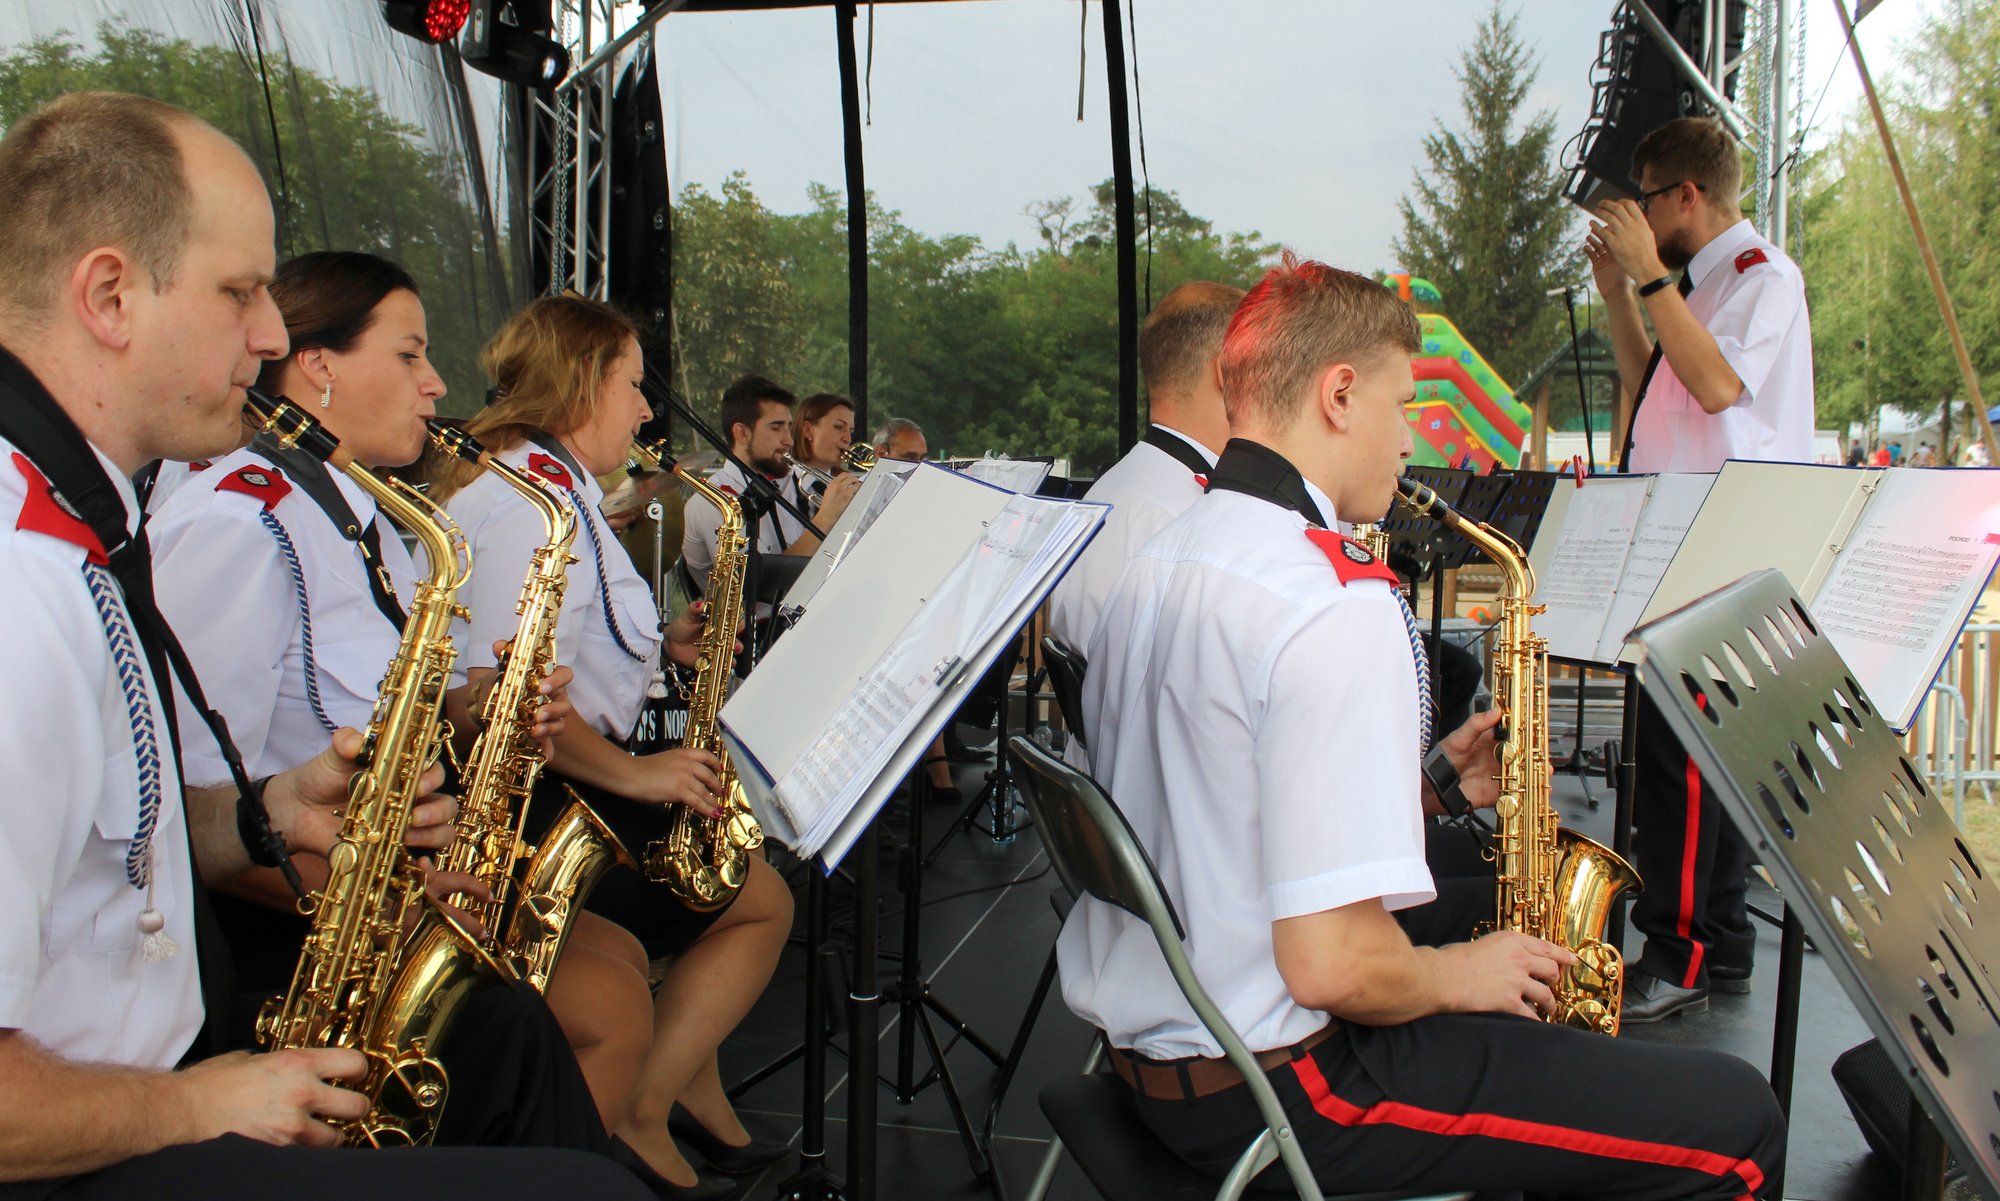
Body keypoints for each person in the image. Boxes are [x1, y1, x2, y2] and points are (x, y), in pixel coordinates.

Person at [0, 91, 648, 1201]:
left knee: (506, 1046)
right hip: (97, 1141)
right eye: (239, 291)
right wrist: (199, 1103)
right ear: (108, 296)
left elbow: (109, 836)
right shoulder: (23, 587)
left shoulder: (80, 523)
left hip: (151, 1064)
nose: (269, 338)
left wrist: (264, 811)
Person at [1060, 252, 1784, 1199]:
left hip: (1165, 1055)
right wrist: (1462, 973)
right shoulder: (1328, 599)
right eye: (1404, 406)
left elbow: (1216, 801)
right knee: (1739, 1118)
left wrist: (1430, 783)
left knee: (1511, 952)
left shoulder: (1161, 556)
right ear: (1339, 395)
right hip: (1287, 1091)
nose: (1410, 440)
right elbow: (1331, 966)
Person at [148, 252, 675, 1157]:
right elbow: (193, 812)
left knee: (605, 978)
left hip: (389, 886)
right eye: (408, 355)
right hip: (295, 931)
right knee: (562, 1025)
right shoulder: (242, 523)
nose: (436, 383)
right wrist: (403, 908)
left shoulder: (365, 519)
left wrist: (485, 706)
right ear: (318, 365)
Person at [431, 296, 795, 1199]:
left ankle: (680, 1085)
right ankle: (647, 1104)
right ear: (585, 382)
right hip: (551, 801)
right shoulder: (530, 507)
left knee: (736, 895)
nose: (642, 409)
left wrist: (665, 643)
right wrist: (636, 772)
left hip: (578, 782)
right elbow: (507, 700)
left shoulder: (555, 490)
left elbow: (570, 647)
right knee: (761, 902)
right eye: (633, 386)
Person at [1590, 116, 1816, 1023]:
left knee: (1680, 763)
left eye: (1648, 200)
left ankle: (1676, 951)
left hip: (1723, 547)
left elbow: (1720, 388)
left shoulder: (1763, 276)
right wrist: (1622, 293)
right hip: (1684, 537)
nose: (1640, 218)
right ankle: (1720, 941)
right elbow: (1657, 381)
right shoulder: (1699, 285)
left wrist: (1648, 276)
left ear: (1687, 195)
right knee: (1699, 763)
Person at [680, 374, 858, 596]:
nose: (789, 440)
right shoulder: (713, 501)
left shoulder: (788, 486)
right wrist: (827, 516)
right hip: (761, 617)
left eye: (788, 427)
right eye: (776, 427)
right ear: (742, 433)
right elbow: (764, 587)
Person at [791, 390, 857, 511]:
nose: (848, 439)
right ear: (808, 430)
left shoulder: (848, 487)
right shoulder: (782, 486)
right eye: (839, 427)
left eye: (851, 431)